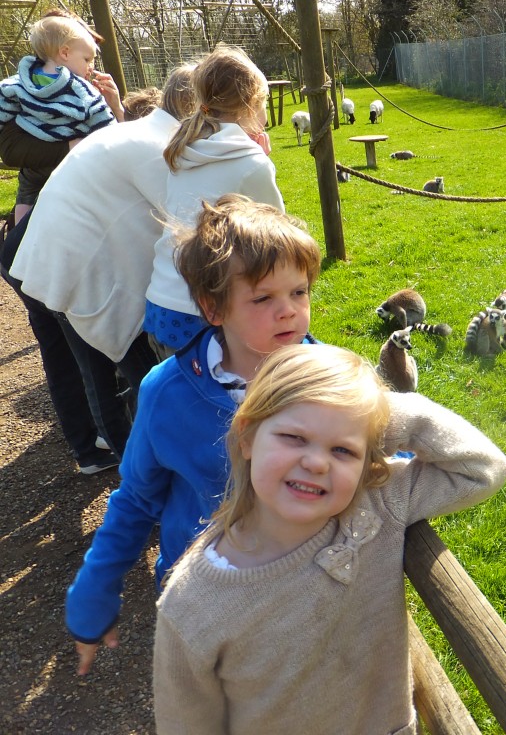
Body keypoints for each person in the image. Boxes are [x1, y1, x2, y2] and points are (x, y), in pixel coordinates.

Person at [153, 342, 506, 734]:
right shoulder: (191, 607)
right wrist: (349, 429)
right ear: (247, 436)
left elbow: (482, 469)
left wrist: (377, 417)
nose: (317, 462)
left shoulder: (377, 503)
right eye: (293, 437)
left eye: (342, 450)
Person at [67, 194, 322, 675]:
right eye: (263, 298)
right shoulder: (167, 393)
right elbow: (137, 499)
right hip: (202, 601)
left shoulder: (332, 383)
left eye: (299, 292)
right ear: (213, 308)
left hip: (302, 602)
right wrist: (94, 591)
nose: (288, 311)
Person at [6, 65, 196, 464]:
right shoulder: (154, 146)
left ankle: (116, 464)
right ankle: (151, 474)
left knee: (92, 366)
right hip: (65, 266)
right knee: (142, 371)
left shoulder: (132, 133)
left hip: (40, 259)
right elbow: (181, 225)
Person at [145, 44, 282, 357]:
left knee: (187, 404)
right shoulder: (250, 162)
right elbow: (277, 241)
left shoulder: (182, 149)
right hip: (205, 312)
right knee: (237, 404)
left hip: (161, 304)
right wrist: (263, 160)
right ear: (252, 104)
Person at [0, 13, 122, 224]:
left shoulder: (19, 84)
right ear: (65, 52)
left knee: (26, 196)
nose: (91, 66)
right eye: (87, 59)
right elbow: (105, 126)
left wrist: (117, 107)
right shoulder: (81, 90)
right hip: (71, 172)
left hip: (35, 172)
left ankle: (19, 234)